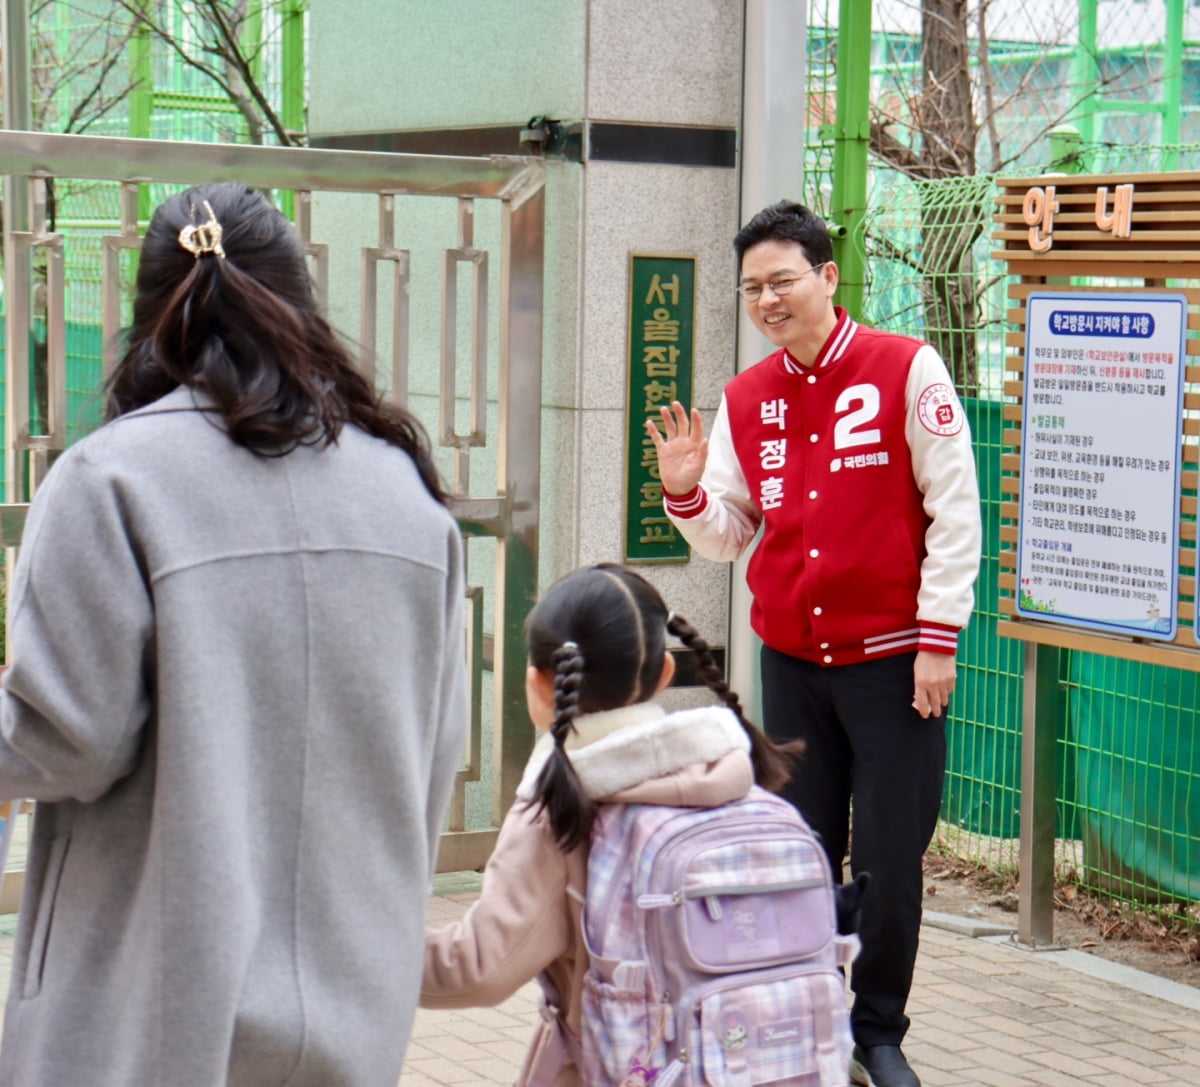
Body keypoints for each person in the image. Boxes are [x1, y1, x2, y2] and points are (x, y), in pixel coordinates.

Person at [0, 182, 467, 1087]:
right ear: (299, 299)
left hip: (151, 1006)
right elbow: (432, 757)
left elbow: (68, 739)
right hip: (353, 1001)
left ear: (150, 314)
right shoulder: (406, 496)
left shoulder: (107, 481)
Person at [645, 200, 982, 1087]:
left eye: (782, 280)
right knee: (796, 848)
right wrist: (686, 493)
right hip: (793, 661)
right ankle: (808, 1014)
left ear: (828, 277)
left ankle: (877, 1029)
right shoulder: (746, 399)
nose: (767, 299)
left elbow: (956, 509)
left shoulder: (906, 369)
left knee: (888, 854)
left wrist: (939, 637)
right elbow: (729, 533)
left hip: (897, 662)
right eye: (753, 286)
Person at [421, 562, 806, 1086]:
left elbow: (479, 969)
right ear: (665, 672)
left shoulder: (562, 807)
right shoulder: (730, 774)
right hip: (754, 1064)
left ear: (539, 682)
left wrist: (358, 951)